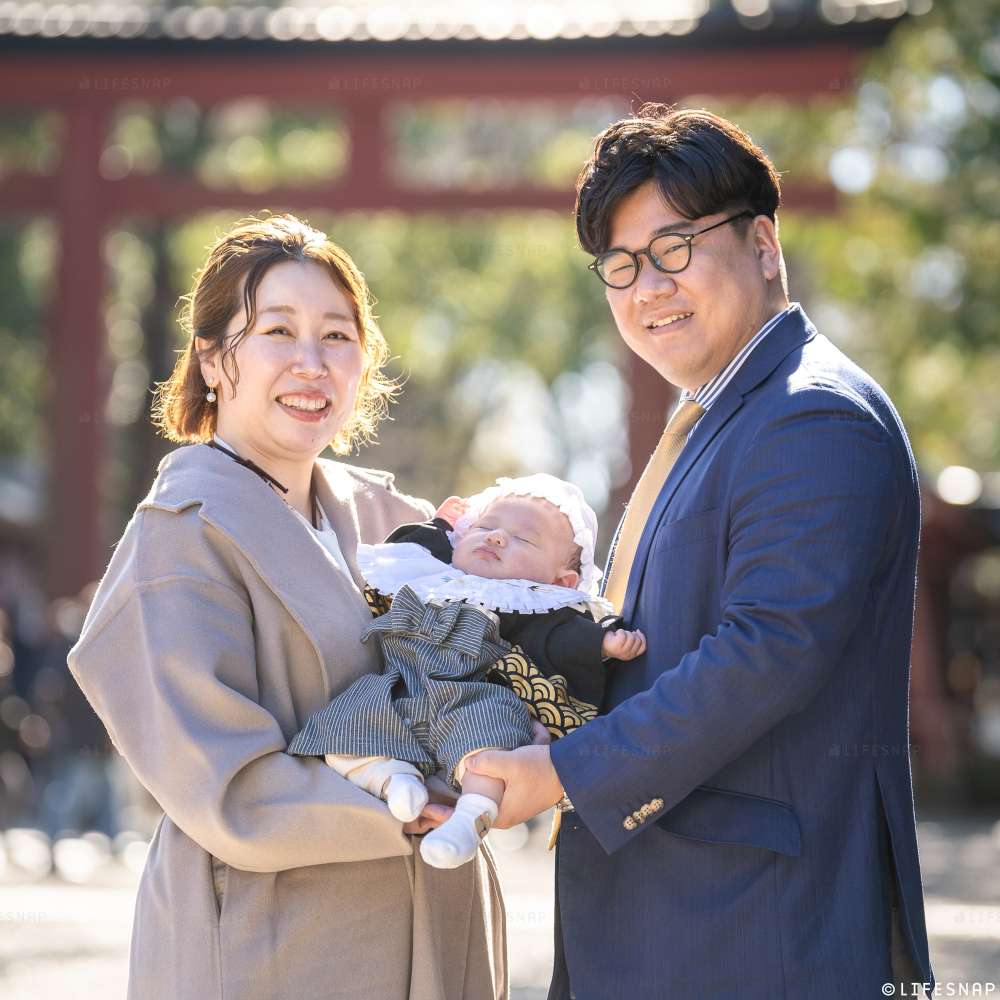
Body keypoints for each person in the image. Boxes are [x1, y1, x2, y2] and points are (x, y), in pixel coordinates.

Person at [467, 107, 934, 999]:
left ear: (763, 243)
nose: (648, 287)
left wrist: (564, 772)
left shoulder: (811, 415)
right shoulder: (723, 416)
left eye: (675, 246)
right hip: (682, 922)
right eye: (621, 264)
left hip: (756, 931)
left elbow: (768, 652)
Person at [68, 214, 507, 1000]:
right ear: (211, 359)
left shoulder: (385, 520)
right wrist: (404, 807)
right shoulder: (180, 537)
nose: (312, 363)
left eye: (338, 336)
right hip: (274, 942)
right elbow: (224, 783)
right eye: (278, 330)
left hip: (427, 925)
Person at [287, 474, 646, 869]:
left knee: (489, 740)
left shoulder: (528, 604)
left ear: (561, 581)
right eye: (484, 526)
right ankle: (390, 777)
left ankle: (470, 817)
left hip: (469, 696)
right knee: (353, 712)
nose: (495, 538)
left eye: (522, 539)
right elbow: (412, 542)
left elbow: (561, 637)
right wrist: (441, 524)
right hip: (403, 686)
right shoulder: (429, 572)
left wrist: (603, 642)